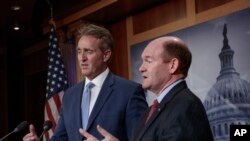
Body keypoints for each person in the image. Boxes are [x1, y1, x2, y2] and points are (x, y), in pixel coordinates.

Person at [23, 24, 148, 141]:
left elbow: (143, 139)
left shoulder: (129, 92)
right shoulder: (70, 95)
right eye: (79, 51)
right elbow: (60, 138)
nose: (82, 58)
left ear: (106, 55)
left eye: (88, 51)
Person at [81, 36, 214, 141]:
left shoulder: (186, 106)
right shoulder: (153, 109)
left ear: (172, 65)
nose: (141, 68)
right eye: (142, 61)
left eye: (148, 61)